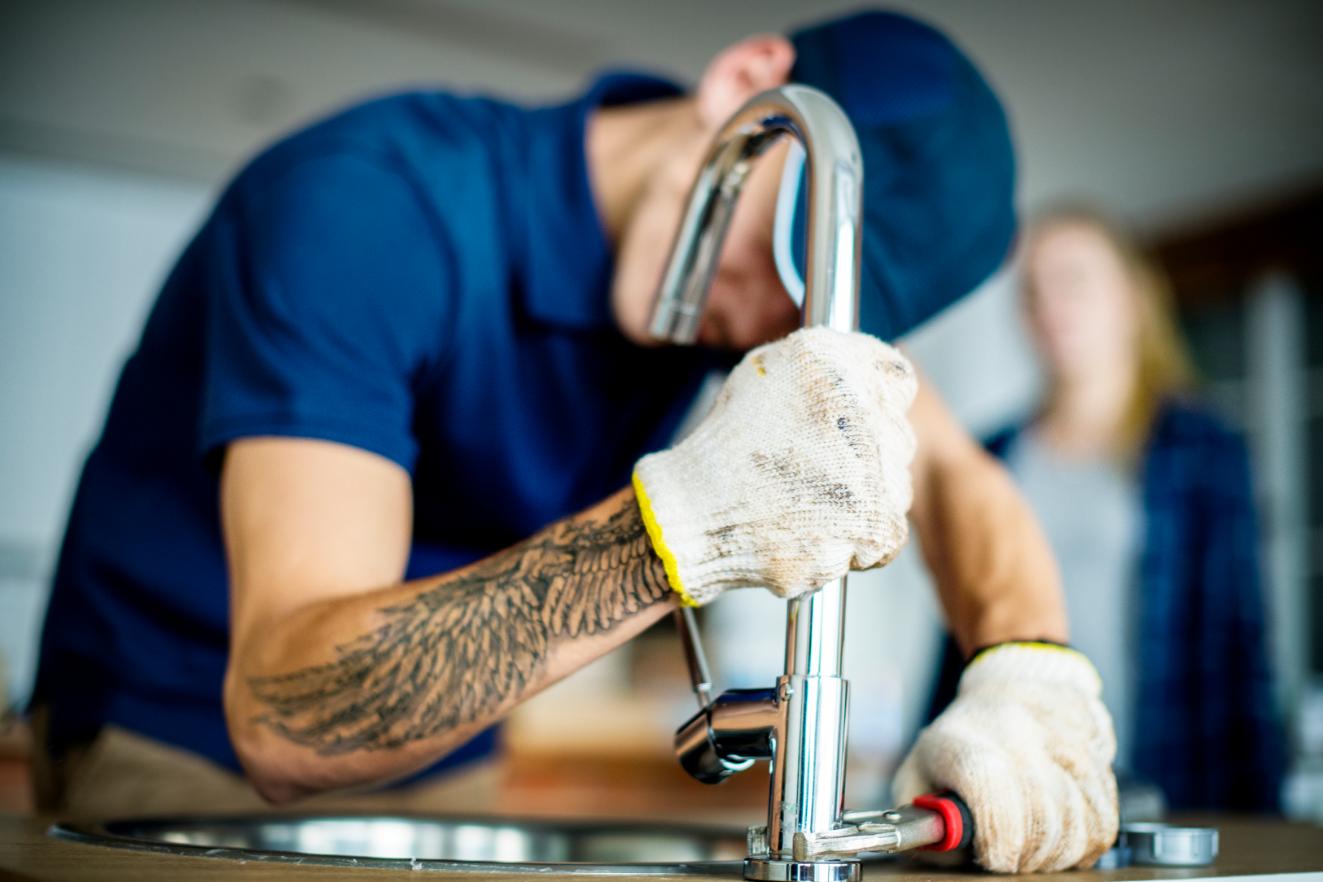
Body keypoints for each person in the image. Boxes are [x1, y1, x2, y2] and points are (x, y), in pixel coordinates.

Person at [32, 10, 1115, 871]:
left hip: (443, 753)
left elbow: (961, 482)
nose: (757, 324)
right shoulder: (372, 206)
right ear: (745, 87)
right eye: (783, 253)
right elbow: (284, 712)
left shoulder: (731, 296)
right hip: (169, 737)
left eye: (808, 313)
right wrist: (678, 529)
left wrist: (1032, 676)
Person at [928, 205, 1285, 812]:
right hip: (1023, 793)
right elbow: (957, 644)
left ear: (1130, 297)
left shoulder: (1202, 450)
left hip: (1170, 786)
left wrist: (1260, 822)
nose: (1048, 305)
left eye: (1072, 280)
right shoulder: (991, 454)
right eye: (1032, 289)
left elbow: (1238, 648)